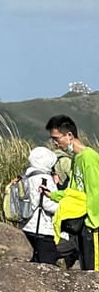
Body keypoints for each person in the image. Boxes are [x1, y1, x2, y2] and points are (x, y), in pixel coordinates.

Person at [44, 115, 99, 272]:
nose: (55, 143)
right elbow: (74, 191)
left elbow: (95, 192)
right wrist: (53, 195)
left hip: (92, 225)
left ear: (69, 135)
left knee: (93, 269)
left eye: (56, 138)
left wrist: (93, 224)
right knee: (86, 268)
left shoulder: (89, 157)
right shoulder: (76, 159)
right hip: (82, 223)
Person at [14, 146, 61, 264]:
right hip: (42, 228)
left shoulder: (25, 176)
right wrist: (65, 206)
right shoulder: (45, 179)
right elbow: (48, 205)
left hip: (26, 225)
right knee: (47, 264)